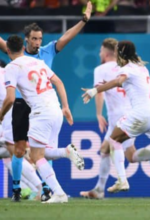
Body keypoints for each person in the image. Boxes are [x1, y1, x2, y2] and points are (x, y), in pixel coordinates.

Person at [0, 2, 92, 202]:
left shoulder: (46, 53)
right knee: (21, 149)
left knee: (38, 153)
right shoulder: (25, 58)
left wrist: (83, 20)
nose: (37, 42)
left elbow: (67, 36)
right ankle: (19, 189)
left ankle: (50, 190)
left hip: (39, 107)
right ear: (25, 41)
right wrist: (64, 106)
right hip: (24, 105)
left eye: (40, 39)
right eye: (34, 39)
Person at [82, 40, 150, 203]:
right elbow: (124, 84)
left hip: (141, 113)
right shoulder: (141, 67)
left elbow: (119, 81)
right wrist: (106, 85)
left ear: (121, 53)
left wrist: (95, 90)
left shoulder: (126, 69)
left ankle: (122, 180)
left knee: (113, 140)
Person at [0, 35, 74, 203]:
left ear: (8, 51)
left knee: (36, 156)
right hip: (55, 109)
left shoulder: (12, 67)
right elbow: (59, 82)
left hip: (40, 112)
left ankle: (58, 193)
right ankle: (65, 153)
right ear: (23, 48)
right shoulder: (38, 63)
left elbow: (10, 99)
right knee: (40, 153)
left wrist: (1, 115)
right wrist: (66, 107)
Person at [80, 38, 134, 199]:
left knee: (128, 154)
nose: (99, 53)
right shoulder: (126, 67)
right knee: (107, 150)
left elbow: (99, 91)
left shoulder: (101, 69)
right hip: (131, 112)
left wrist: (98, 113)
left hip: (117, 116)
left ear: (106, 53)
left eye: (100, 51)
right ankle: (99, 189)